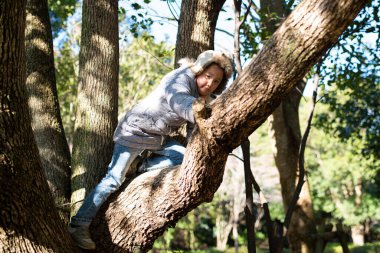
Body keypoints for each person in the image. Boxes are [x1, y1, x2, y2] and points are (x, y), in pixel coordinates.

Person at [68, 50, 233, 249]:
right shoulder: (180, 78)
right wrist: (201, 113)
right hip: (134, 132)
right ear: (199, 70)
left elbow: (193, 132)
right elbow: (178, 101)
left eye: (216, 82)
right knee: (113, 180)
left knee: (184, 159)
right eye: (208, 76)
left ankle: (140, 166)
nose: (210, 84)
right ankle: (79, 224)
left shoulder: (200, 98)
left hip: (156, 138)